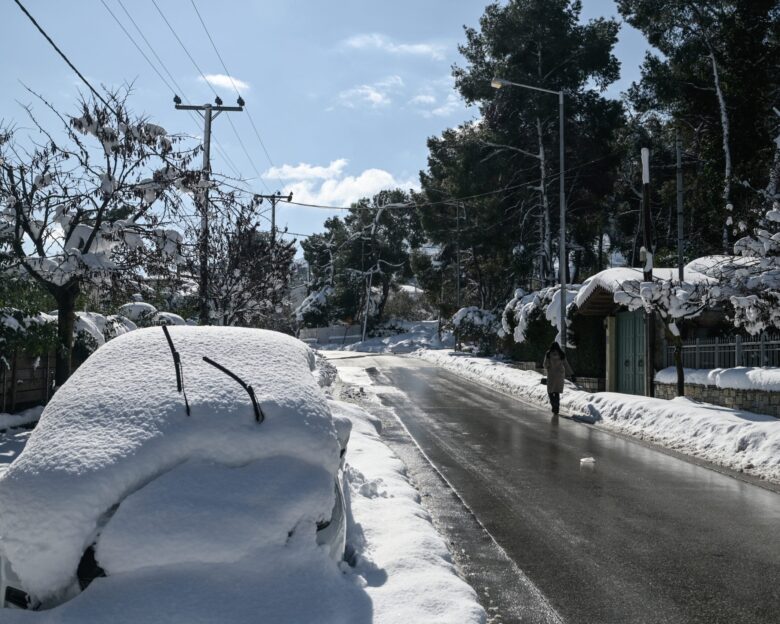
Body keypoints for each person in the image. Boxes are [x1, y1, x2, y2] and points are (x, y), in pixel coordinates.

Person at [543, 341, 575, 415]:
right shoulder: (561, 354)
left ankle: (554, 405)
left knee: (550, 392)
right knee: (557, 392)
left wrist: (548, 366)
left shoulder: (548, 354)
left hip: (551, 375)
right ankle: (557, 407)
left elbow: (545, 364)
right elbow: (566, 365)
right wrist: (572, 374)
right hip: (560, 375)